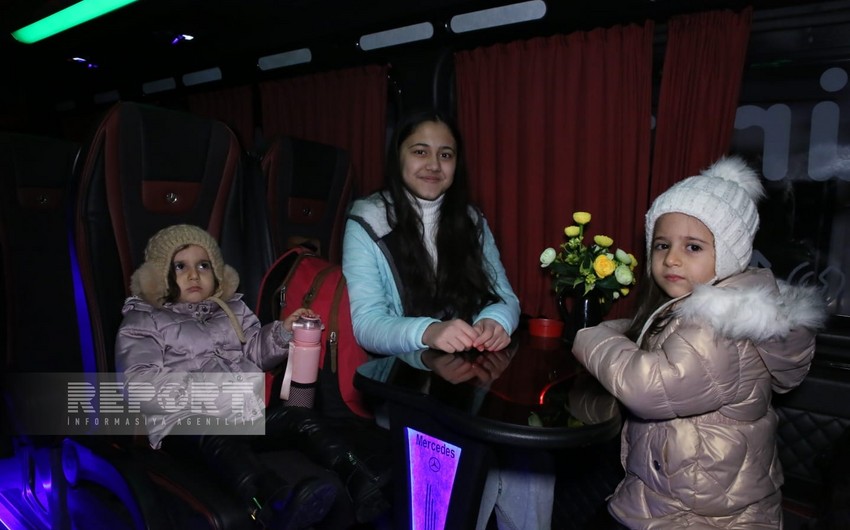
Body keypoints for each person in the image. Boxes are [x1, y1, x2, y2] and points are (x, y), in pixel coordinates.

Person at [572, 156, 828, 529]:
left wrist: (589, 335)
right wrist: (622, 329)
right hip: (676, 491)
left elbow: (649, 388)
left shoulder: (716, 327)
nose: (671, 259)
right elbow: (654, 331)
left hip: (703, 516)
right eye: (662, 245)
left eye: (692, 247)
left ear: (729, 253)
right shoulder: (703, 308)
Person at [342, 108, 555, 530]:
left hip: (469, 387)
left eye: (446, 154)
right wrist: (430, 331)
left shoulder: (471, 220)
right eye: (420, 151)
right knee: (471, 464)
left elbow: (505, 297)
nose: (434, 165)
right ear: (398, 156)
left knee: (532, 460)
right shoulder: (367, 219)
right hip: (403, 389)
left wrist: (496, 321)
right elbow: (367, 324)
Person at [115, 224, 390, 530]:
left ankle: (359, 476)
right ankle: (270, 501)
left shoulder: (231, 310)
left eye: (203, 265)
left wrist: (283, 332)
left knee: (300, 418)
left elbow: (256, 352)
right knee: (216, 438)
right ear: (158, 275)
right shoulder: (145, 320)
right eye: (180, 266)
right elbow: (138, 384)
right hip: (186, 425)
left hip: (244, 415)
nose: (194, 275)